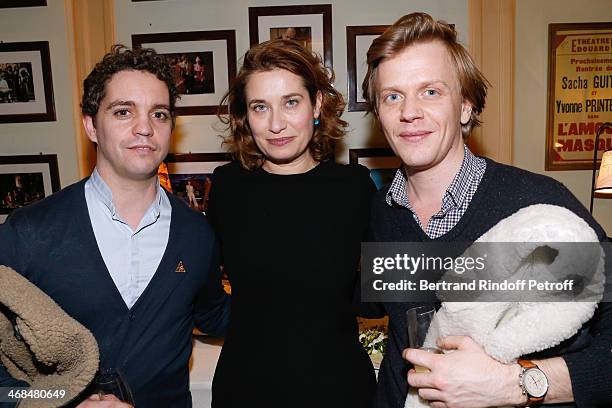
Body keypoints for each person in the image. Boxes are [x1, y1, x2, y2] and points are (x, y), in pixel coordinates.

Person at [361, 12, 611, 408]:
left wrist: (513, 384)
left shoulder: (538, 206)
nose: (409, 111)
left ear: (465, 106)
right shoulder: (382, 210)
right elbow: (398, 332)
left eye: (430, 92)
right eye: (393, 96)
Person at [0, 45, 230, 407]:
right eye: (123, 112)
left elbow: (215, 314)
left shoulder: (196, 234)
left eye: (159, 114)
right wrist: (58, 401)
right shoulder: (28, 232)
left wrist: (303, 304)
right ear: (91, 125)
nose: (144, 128)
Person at [208, 39, 377, 407]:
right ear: (246, 116)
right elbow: (203, 288)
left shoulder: (353, 189)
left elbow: (379, 295)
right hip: (245, 388)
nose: (276, 124)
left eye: (291, 102)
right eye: (260, 107)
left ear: (316, 104)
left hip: (338, 389)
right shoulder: (227, 187)